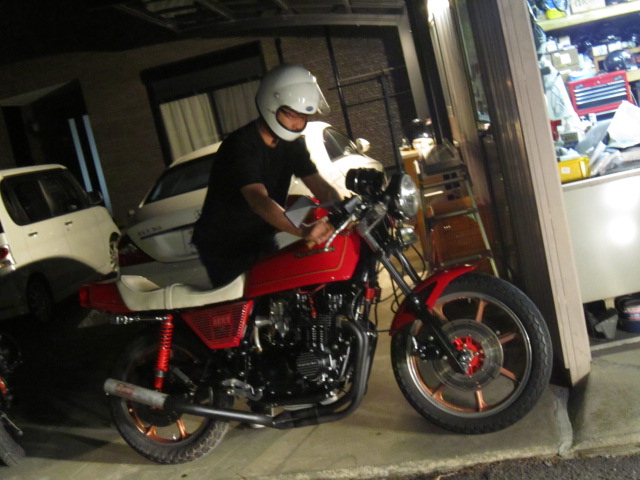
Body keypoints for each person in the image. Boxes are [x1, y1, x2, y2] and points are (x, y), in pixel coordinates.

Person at [192, 64, 341, 288]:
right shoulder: (240, 145)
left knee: (288, 291)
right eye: (291, 114)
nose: (297, 123)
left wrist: (342, 208)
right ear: (271, 105)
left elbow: (319, 185)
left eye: (303, 116)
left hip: (259, 235)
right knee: (253, 300)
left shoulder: (292, 145)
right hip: (225, 245)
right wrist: (303, 230)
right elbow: (258, 200)